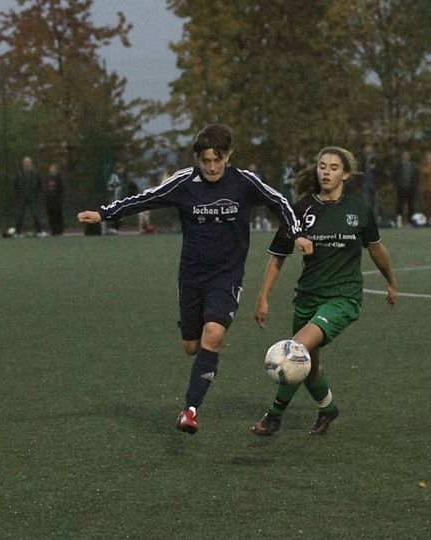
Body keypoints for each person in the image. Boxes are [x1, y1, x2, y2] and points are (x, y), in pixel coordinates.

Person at [77, 123, 313, 434]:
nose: (212, 167)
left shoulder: (243, 182)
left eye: (218, 160)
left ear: (228, 156)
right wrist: (104, 214)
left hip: (227, 274)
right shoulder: (184, 183)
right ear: (197, 158)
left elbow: (279, 201)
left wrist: (296, 233)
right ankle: (200, 359)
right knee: (192, 346)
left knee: (213, 334)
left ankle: (190, 410)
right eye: (206, 161)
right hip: (191, 275)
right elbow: (145, 198)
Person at [252, 146, 397, 437]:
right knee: (309, 370)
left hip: (343, 298)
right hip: (307, 297)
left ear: (345, 174)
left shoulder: (358, 211)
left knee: (294, 352)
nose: (326, 172)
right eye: (322, 166)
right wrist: (263, 296)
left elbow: (377, 249)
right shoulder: (301, 210)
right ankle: (328, 409)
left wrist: (391, 281)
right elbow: (278, 256)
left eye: (333, 167)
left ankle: (274, 416)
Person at [11, 156, 46, 237]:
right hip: (22, 197)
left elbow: (40, 185)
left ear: (31, 163)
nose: (27, 164)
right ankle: (17, 232)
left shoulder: (36, 173)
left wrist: (37, 194)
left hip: (33, 197)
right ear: (23, 164)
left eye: (28, 162)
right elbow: (15, 185)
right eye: (25, 163)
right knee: (20, 215)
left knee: (35, 214)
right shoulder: (19, 173)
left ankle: (39, 232)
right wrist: (18, 195)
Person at [391, 149, 419, 227]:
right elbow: (394, 176)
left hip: (411, 188)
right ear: (402, 156)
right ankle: (399, 221)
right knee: (400, 205)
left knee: (411, 205)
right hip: (401, 188)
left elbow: (417, 177)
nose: (406, 156)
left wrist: (415, 185)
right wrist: (397, 185)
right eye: (405, 155)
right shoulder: (398, 165)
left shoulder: (413, 165)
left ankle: (410, 221)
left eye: (408, 155)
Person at [360, 144, 380, 221]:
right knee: (366, 202)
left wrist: (375, 168)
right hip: (365, 184)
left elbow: (381, 172)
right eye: (366, 150)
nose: (368, 152)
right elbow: (359, 172)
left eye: (369, 150)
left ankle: (376, 219)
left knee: (376, 203)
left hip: (375, 184)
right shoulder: (362, 161)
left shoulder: (376, 160)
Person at [44, 163, 64, 236]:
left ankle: (60, 230)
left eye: (53, 169)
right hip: (49, 201)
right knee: (51, 216)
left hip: (57, 201)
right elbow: (45, 189)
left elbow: (61, 189)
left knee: (58, 215)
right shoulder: (47, 179)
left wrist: (59, 198)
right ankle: (54, 230)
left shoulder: (59, 178)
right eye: (51, 169)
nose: (52, 171)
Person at [106, 164, 125, 234]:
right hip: (114, 199)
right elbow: (110, 185)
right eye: (121, 169)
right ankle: (112, 228)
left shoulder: (120, 177)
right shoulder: (114, 176)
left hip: (118, 199)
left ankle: (115, 228)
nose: (122, 171)